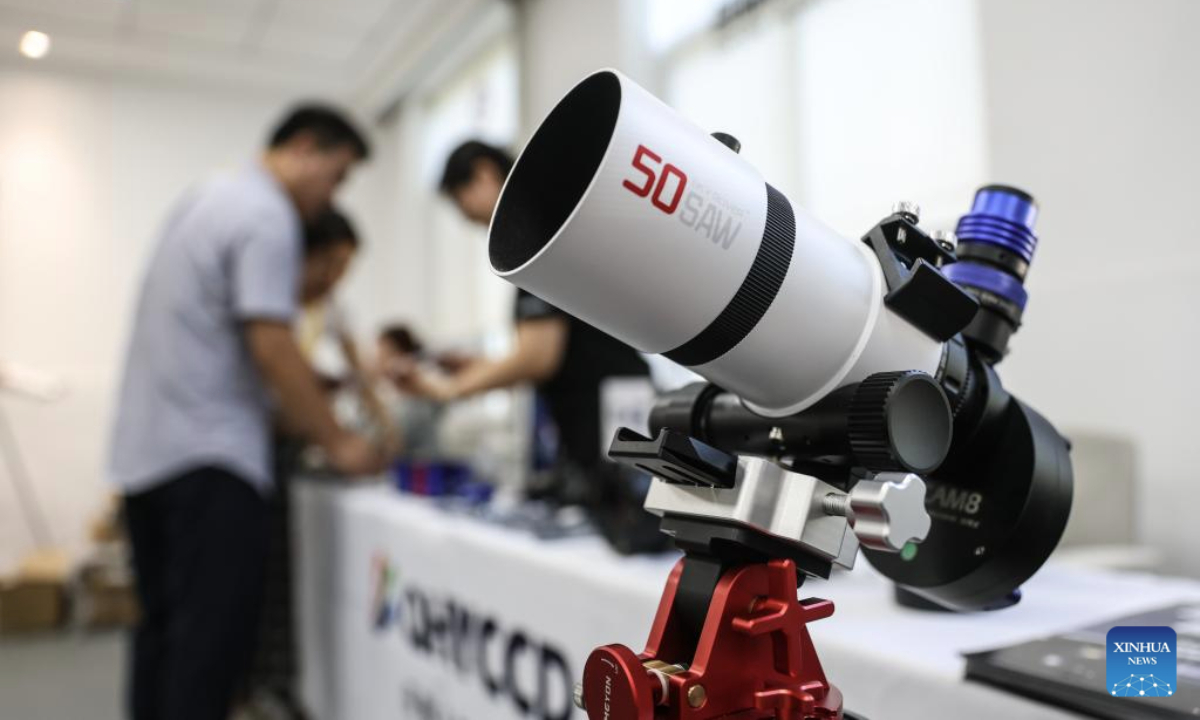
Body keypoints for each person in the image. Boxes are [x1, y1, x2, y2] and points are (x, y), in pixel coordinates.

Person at [109, 104, 384, 720]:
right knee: (207, 653)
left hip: (147, 456)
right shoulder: (268, 215)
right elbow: (271, 343)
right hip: (211, 460)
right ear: (306, 148)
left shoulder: (206, 197)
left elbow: (226, 342)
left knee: (162, 635)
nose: (331, 195)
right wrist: (340, 442)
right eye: (337, 177)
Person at [391, 140, 651, 485]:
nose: (468, 219)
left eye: (461, 203)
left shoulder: (540, 238)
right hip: (602, 417)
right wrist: (475, 367)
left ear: (484, 174)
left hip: (612, 424)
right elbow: (550, 350)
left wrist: (447, 390)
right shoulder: (547, 232)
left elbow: (538, 357)